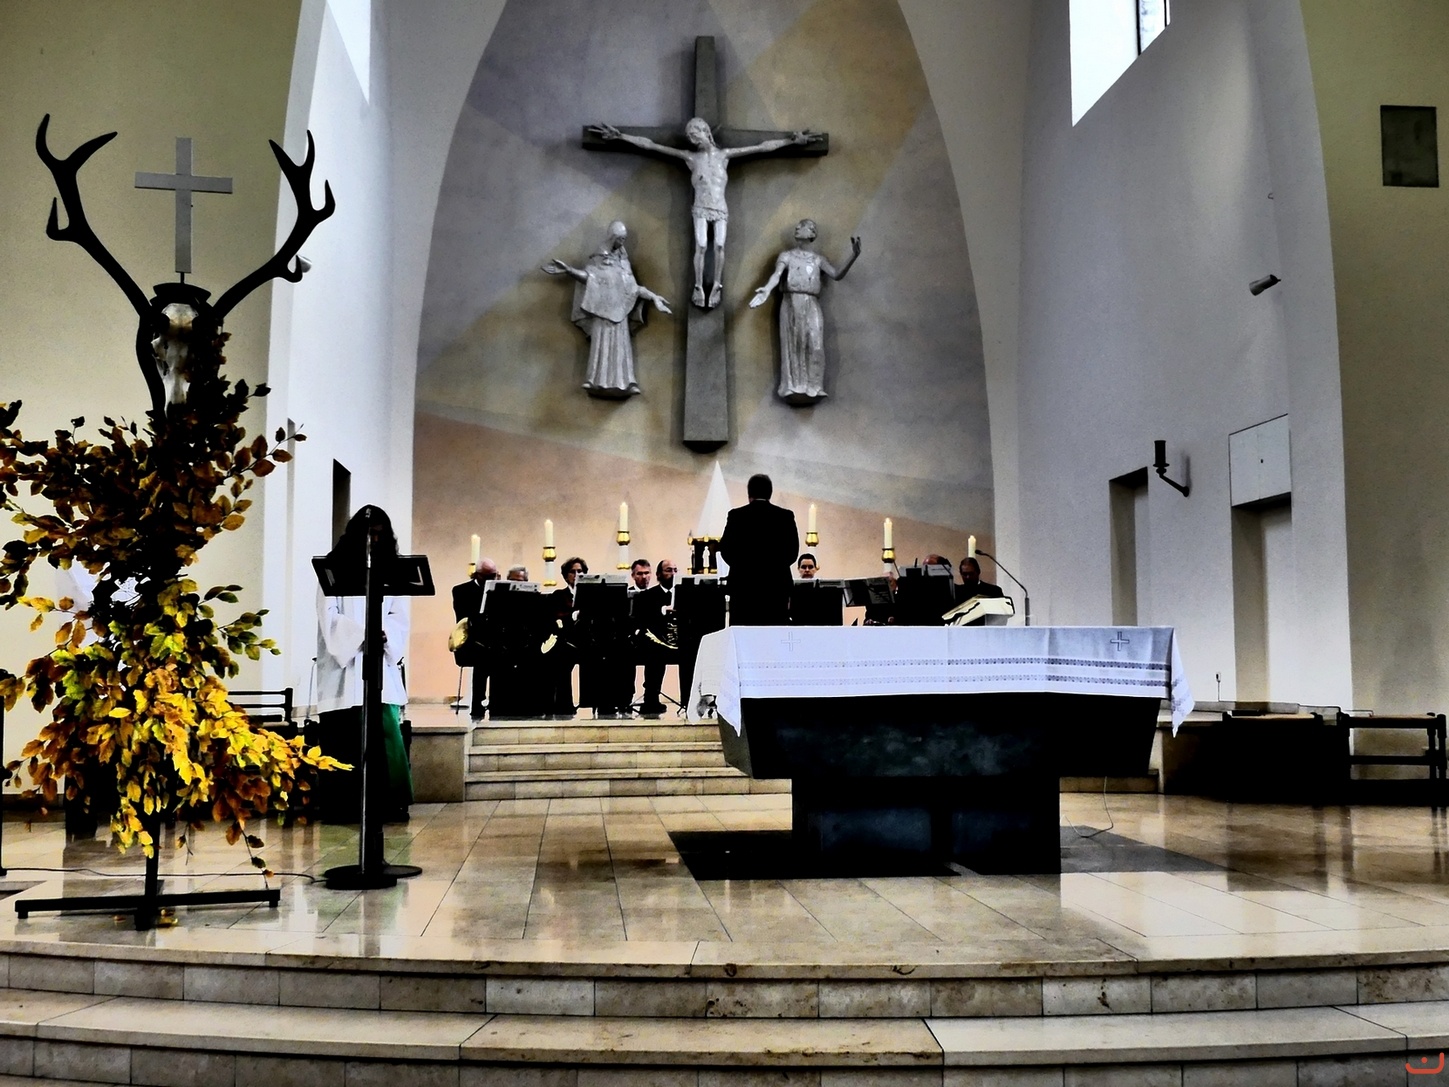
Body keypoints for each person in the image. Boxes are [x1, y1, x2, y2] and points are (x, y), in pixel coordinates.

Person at [589, 119, 821, 309]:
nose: (692, 139)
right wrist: (621, 137)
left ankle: (717, 285)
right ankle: (699, 286)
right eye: (689, 136)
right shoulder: (691, 158)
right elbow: (651, 145)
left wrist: (791, 141)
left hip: (719, 208)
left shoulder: (725, 155)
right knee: (701, 245)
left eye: (695, 134)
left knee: (719, 245)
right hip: (700, 207)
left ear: (706, 132)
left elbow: (762, 147)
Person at [314, 505, 413, 821]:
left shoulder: (392, 570)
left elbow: (399, 617)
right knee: (344, 740)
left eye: (379, 535)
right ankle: (343, 806)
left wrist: (385, 634)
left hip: (380, 667)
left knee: (386, 738)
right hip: (343, 673)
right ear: (356, 534)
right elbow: (328, 618)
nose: (374, 541)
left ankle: (389, 803)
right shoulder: (333, 569)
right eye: (369, 534)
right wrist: (362, 633)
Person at [543, 220, 671, 398]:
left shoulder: (624, 263)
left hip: (620, 315)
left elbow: (634, 288)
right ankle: (594, 380)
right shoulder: (597, 260)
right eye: (621, 238)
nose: (623, 242)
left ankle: (626, 382)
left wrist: (655, 298)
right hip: (601, 313)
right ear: (613, 238)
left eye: (624, 239)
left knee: (621, 350)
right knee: (600, 348)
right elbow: (589, 278)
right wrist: (569, 270)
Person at [749, 219, 861, 403]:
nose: (798, 228)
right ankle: (792, 386)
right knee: (793, 343)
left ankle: (814, 386)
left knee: (815, 344)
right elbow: (777, 275)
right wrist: (767, 289)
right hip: (791, 302)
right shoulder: (787, 256)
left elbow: (836, 274)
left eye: (803, 226)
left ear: (812, 233)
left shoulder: (818, 260)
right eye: (798, 226)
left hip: (811, 303)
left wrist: (853, 257)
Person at [718, 474, 799, 626]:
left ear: (749, 494)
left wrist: (742, 566)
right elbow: (792, 552)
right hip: (776, 588)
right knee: (774, 633)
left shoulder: (737, 516)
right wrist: (774, 567)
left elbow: (726, 549)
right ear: (770, 493)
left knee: (743, 633)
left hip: (743, 588)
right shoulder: (785, 516)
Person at [451, 557, 498, 720]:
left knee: (501, 652)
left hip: (494, 637)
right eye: (487, 576)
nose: (491, 580)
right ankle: (477, 704)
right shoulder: (461, 591)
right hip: (473, 638)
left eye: (493, 576)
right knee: (483, 657)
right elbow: (464, 617)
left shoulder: (498, 589)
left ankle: (498, 703)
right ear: (477, 575)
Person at [636, 557, 680, 715]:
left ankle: (690, 699)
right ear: (659, 574)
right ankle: (651, 699)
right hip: (656, 643)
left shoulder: (683, 593)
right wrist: (662, 610)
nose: (673, 574)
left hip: (679, 641)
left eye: (675, 570)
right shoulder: (647, 595)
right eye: (668, 570)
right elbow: (642, 618)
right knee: (654, 653)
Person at [544, 556, 587, 715]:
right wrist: (574, 615)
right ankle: (563, 705)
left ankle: (600, 703)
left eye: (580, 572)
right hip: (568, 639)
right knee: (561, 656)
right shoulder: (558, 595)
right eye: (572, 572)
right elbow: (556, 617)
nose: (577, 575)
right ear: (565, 575)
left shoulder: (591, 594)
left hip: (588, 639)